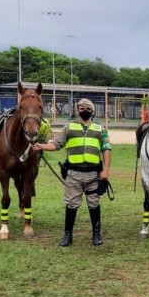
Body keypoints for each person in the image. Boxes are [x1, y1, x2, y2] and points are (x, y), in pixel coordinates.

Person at [33, 98, 111, 247]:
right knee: (71, 204)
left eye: (87, 108)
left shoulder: (100, 129)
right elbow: (57, 144)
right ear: (77, 110)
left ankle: (96, 234)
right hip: (73, 174)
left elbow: (106, 150)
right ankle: (68, 234)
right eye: (81, 108)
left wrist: (106, 171)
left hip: (93, 175)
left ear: (92, 111)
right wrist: (41, 146)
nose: (84, 110)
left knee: (94, 203)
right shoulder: (69, 127)